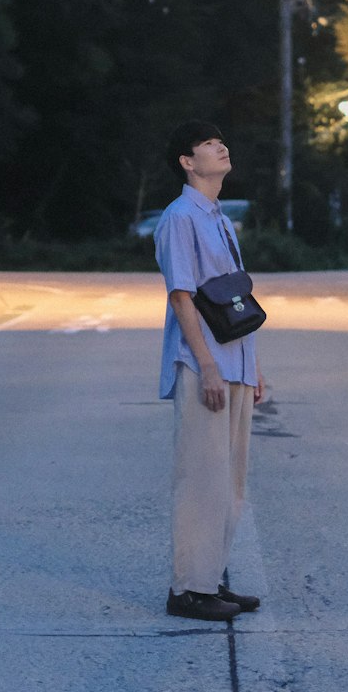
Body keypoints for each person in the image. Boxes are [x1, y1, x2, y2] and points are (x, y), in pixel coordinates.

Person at [154, 120, 267, 622]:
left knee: (230, 482)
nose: (221, 146)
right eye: (207, 144)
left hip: (236, 363)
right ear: (186, 161)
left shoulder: (217, 216)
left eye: (223, 141)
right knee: (202, 478)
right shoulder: (181, 216)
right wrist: (207, 365)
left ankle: (213, 576)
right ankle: (189, 589)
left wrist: (254, 367)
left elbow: (232, 298)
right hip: (206, 365)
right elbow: (182, 294)